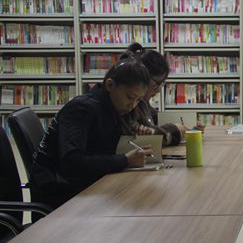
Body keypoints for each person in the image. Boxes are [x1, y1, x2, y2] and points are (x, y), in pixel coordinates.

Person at [30, 58, 152, 210]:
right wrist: (125, 160)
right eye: (129, 97)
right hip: (59, 193)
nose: (132, 105)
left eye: (138, 100)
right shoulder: (81, 109)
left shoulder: (114, 107)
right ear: (109, 85)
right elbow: (72, 162)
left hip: (88, 185)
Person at [121, 43, 205, 145]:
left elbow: (154, 120)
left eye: (162, 83)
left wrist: (190, 127)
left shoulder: (142, 103)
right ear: (142, 77)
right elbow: (139, 136)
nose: (159, 90)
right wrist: (175, 131)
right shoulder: (128, 105)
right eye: (157, 83)